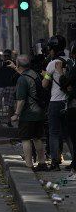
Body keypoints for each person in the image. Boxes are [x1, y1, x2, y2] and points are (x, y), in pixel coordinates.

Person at [10, 55, 48, 171]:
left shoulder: (21, 79)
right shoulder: (34, 74)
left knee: (26, 139)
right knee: (38, 138)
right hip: (39, 112)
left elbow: (21, 100)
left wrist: (16, 114)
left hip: (28, 114)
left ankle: (29, 164)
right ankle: (42, 163)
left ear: (18, 64)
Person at [42, 35, 68, 171]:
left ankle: (55, 162)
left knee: (54, 133)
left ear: (53, 49)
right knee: (69, 134)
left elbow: (45, 84)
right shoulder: (70, 61)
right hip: (69, 102)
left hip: (56, 102)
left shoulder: (52, 63)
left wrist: (45, 75)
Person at [0, 50, 19, 127]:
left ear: (10, 56)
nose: (6, 57)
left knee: (10, 105)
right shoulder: (1, 63)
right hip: (1, 85)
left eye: (7, 56)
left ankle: (9, 121)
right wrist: (0, 65)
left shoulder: (14, 63)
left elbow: (18, 72)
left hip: (11, 86)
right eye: (4, 56)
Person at [60, 42, 76, 179]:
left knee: (72, 135)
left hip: (73, 106)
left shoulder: (74, 68)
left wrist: (61, 74)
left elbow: (65, 83)